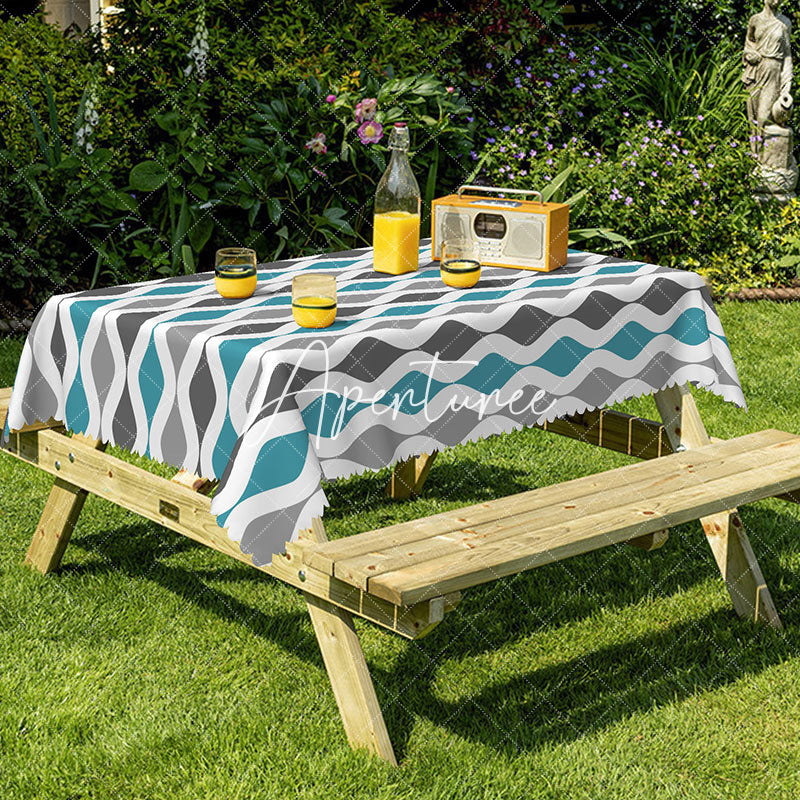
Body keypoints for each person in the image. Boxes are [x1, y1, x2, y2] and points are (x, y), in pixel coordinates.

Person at [742, 0, 793, 154]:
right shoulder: (755, 20)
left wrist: (787, 83)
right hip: (755, 71)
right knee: (753, 119)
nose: (777, 0)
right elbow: (748, 44)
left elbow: (787, 55)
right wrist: (749, 54)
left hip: (773, 72)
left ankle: (767, 157)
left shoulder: (784, 23)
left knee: (764, 118)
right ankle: (756, 159)